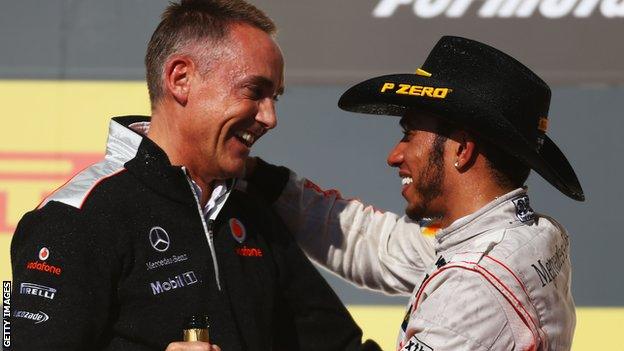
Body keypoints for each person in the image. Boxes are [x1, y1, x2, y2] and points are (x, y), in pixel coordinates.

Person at [10, 1, 380, 350]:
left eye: (275, 98)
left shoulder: (249, 208)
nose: (270, 118)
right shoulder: (78, 216)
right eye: (255, 91)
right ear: (181, 78)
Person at [246, 36, 584, 350]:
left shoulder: (472, 289)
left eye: (409, 134)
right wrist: (261, 178)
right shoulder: (532, 233)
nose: (394, 155)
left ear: (462, 150)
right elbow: (378, 246)